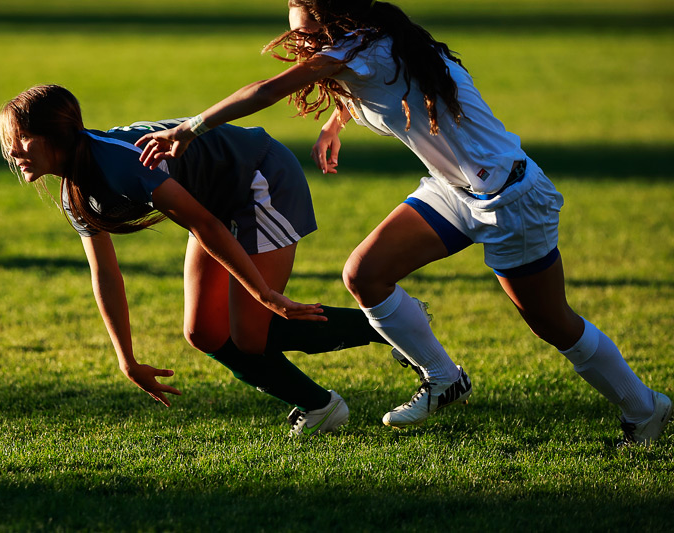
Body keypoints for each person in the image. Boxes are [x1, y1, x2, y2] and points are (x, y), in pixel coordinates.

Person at [135, 0, 671, 446]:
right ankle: (444, 379)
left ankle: (643, 408)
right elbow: (387, 89)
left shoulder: (357, 48)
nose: (300, 44)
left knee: (553, 323)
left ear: (333, 21)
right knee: (365, 274)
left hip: (509, 199)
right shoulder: (373, 43)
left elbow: (268, 89)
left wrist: (193, 126)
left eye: (307, 33)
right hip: (454, 190)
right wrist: (336, 121)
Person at [0, 83, 405, 436]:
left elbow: (206, 226)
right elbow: (105, 273)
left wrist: (265, 295)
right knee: (205, 333)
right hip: (217, 204)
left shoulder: (119, 164)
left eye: (23, 138)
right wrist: (127, 359)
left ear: (57, 134)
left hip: (260, 178)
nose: (13, 151)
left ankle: (398, 324)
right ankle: (320, 405)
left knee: (251, 335)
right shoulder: (75, 190)